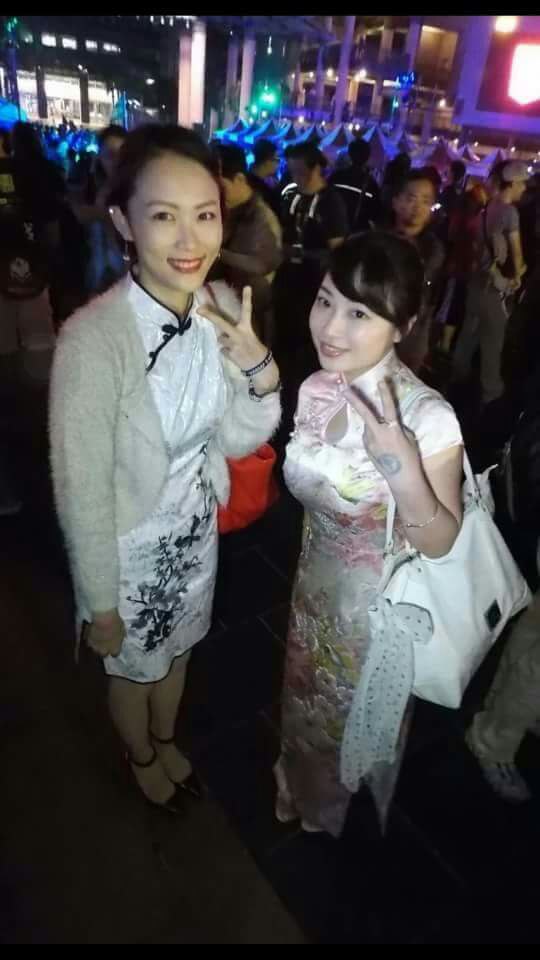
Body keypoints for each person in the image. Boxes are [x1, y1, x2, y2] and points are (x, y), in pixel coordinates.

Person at [50, 124, 281, 812]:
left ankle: (165, 737)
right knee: (133, 670)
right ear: (123, 222)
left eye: (205, 216)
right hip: (127, 551)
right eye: (163, 216)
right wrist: (99, 602)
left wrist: (259, 373)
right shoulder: (92, 341)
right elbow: (81, 490)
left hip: (194, 532)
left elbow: (237, 438)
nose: (189, 240)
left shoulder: (217, 310)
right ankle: (142, 756)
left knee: (179, 653)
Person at [274, 231, 464, 836]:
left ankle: (332, 810)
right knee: (302, 703)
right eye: (326, 300)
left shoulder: (427, 417)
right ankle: (296, 784)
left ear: (402, 326)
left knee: (351, 723)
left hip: (377, 616)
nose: (331, 327)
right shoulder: (317, 387)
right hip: (313, 592)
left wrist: (403, 469)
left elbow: (441, 542)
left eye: (360, 313)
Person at [452, 160, 529, 406]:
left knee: (468, 335)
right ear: (512, 183)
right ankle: (490, 394)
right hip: (494, 288)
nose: (524, 189)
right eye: (522, 184)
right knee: (493, 343)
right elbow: (516, 254)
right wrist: (518, 275)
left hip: (477, 282)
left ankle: (456, 378)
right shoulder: (510, 213)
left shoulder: (486, 208)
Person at [275, 141, 348, 355]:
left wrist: (302, 253)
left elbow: (338, 250)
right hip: (286, 279)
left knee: (304, 341)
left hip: (313, 284)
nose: (295, 177)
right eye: (291, 171)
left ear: (315, 168)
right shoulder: (290, 195)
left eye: (300, 171)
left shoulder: (330, 201)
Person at [211, 142, 282, 344]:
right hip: (224, 307)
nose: (216, 193)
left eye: (221, 186)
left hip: (251, 317)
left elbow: (262, 264)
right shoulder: (226, 210)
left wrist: (217, 253)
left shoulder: (261, 217)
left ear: (240, 179)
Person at [390, 167, 445, 373]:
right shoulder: (377, 239)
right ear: (395, 201)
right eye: (411, 198)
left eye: (426, 201)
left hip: (410, 340)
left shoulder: (433, 248)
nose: (418, 207)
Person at [71, 124, 129, 299]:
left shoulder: (137, 186)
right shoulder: (91, 183)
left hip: (126, 271)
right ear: (100, 156)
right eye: (110, 154)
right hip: (96, 267)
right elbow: (79, 213)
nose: (117, 161)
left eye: (122, 154)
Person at [328, 138, 381, 232]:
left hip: (333, 228)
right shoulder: (371, 184)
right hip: (357, 232)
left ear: (349, 154)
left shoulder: (336, 177)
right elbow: (375, 213)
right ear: (367, 157)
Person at [248, 138, 281, 217]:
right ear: (267, 161)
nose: (278, 164)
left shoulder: (244, 181)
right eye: (277, 159)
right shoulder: (265, 193)